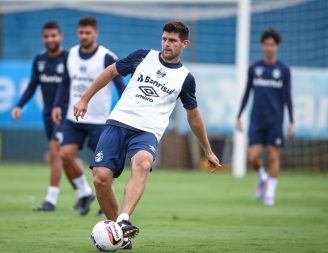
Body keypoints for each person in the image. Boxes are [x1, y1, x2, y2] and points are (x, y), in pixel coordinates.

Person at [73, 21, 221, 249]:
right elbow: (111, 72)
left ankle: (123, 219)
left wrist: (208, 150)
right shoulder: (143, 56)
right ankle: (119, 236)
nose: (166, 44)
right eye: (164, 38)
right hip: (118, 122)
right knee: (101, 179)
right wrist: (85, 98)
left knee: (142, 163)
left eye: (172, 40)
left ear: (185, 43)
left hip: (147, 131)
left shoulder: (185, 78)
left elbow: (193, 116)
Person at [52, 16, 126, 216]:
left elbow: (121, 86)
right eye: (81, 33)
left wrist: (122, 109)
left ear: (96, 33)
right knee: (65, 154)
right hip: (73, 117)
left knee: (102, 167)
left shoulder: (107, 56)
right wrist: (58, 105)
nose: (84, 36)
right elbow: (65, 83)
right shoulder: (70, 55)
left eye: (88, 33)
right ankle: (84, 193)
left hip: (100, 120)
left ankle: (106, 204)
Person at [11, 21, 78, 212]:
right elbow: (33, 85)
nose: (50, 39)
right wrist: (19, 105)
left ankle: (51, 200)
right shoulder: (39, 60)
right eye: (46, 36)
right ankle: (85, 194)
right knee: (64, 158)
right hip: (48, 114)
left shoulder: (70, 59)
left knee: (54, 150)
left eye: (53, 36)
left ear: (61, 37)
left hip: (66, 113)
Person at [236, 28, 295, 206]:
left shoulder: (283, 70)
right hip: (256, 119)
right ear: (262, 46)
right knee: (253, 157)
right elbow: (247, 92)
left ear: (276, 46)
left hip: (275, 120)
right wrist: (239, 116)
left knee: (273, 155)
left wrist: (292, 121)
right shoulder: (255, 68)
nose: (269, 47)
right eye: (266, 44)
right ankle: (263, 178)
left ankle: (270, 194)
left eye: (272, 44)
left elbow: (287, 97)